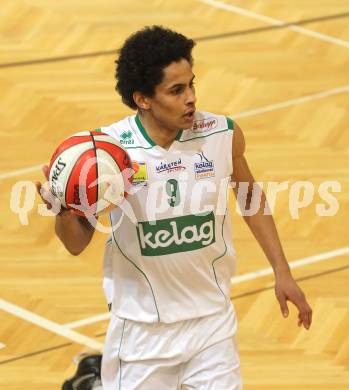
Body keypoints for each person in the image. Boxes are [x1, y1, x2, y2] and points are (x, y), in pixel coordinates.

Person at [37, 25, 312, 390]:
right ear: (143, 99)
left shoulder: (221, 134)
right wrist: (64, 210)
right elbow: (75, 244)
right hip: (141, 333)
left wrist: (283, 271)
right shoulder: (108, 154)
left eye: (192, 84)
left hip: (211, 324)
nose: (191, 99)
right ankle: (92, 381)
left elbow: (250, 197)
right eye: (177, 90)